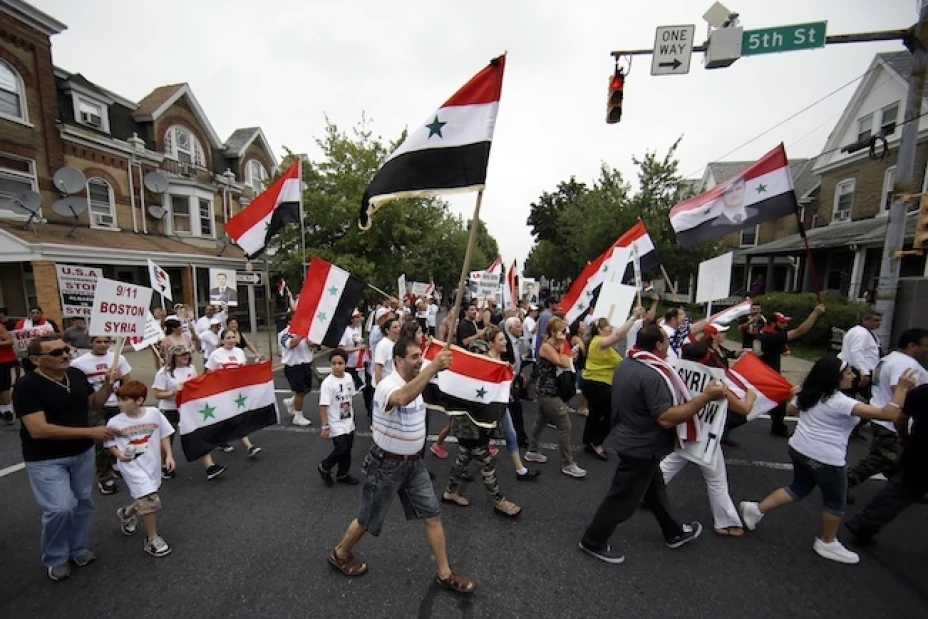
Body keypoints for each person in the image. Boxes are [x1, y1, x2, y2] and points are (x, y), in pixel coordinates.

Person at [328, 337, 476, 595]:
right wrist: (431, 369)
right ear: (398, 360)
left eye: (421, 355)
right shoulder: (387, 385)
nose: (420, 360)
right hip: (386, 464)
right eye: (415, 357)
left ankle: (444, 573)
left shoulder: (418, 381)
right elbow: (402, 399)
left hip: (414, 464)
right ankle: (340, 553)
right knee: (367, 519)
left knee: (432, 514)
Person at [739, 358, 916, 565]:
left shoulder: (810, 392)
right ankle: (826, 542)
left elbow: (790, 411)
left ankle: (755, 510)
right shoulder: (839, 401)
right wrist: (902, 389)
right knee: (835, 501)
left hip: (799, 448)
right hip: (825, 458)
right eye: (849, 373)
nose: (853, 376)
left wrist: (794, 394)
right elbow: (889, 415)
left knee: (798, 487)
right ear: (835, 377)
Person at [578, 325, 727, 564]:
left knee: (655, 490)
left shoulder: (628, 363)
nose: (670, 343)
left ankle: (674, 532)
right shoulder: (653, 375)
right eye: (667, 339)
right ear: (658, 345)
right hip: (641, 448)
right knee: (622, 498)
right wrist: (705, 397)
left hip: (633, 440)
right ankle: (592, 541)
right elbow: (666, 418)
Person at [13, 334, 121, 581]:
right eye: (56, 353)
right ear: (36, 360)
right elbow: (38, 429)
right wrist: (90, 432)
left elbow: (94, 404)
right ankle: (56, 557)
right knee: (60, 508)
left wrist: (107, 385)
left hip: (81, 454)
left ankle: (77, 548)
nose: (64, 355)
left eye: (65, 350)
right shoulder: (26, 386)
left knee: (83, 503)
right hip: (45, 459)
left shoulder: (76, 375)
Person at [661, 342, 756, 537]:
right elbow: (744, 409)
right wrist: (752, 397)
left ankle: (644, 494)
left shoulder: (676, 371)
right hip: (705, 434)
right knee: (716, 479)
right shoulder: (715, 383)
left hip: (685, 427)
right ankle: (725, 521)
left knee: (671, 463)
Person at [846, 328, 928, 498]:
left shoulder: (889, 358)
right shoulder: (905, 364)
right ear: (912, 345)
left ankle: (908, 488)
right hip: (891, 421)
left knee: (899, 459)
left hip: (881, 414)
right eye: (926, 346)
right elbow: (898, 389)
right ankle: (843, 484)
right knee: (882, 458)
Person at [845, 383, 928, 545]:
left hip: (919, 450)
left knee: (900, 490)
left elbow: (902, 418)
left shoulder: (922, 391)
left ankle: (865, 522)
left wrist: (903, 436)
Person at [104, 381, 174, 558]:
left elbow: (165, 433)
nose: (119, 403)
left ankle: (127, 513)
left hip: (152, 463)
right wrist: (119, 455)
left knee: (146, 495)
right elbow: (109, 444)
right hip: (131, 466)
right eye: (118, 399)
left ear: (139, 400)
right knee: (150, 498)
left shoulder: (154, 413)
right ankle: (152, 539)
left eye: (124, 399)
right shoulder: (114, 422)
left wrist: (169, 456)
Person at [524, 317, 587, 479]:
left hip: (551, 390)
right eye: (561, 330)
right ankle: (568, 463)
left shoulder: (557, 345)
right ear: (553, 332)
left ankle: (532, 451)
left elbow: (568, 361)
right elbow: (564, 363)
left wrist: (568, 353)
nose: (565, 333)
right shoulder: (546, 346)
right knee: (565, 425)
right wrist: (566, 352)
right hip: (548, 391)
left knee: (541, 420)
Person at [71, 336, 133, 496]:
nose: (103, 345)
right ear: (90, 343)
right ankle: (104, 476)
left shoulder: (119, 358)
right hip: (95, 407)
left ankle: (115, 463)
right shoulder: (79, 363)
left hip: (116, 404)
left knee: (119, 437)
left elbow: (128, 381)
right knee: (101, 441)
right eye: (98, 341)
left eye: (106, 341)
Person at [150, 344, 221, 480]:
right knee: (167, 439)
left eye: (187, 354)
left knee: (196, 434)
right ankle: (164, 465)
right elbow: (157, 394)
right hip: (169, 409)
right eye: (182, 355)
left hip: (187, 408)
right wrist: (172, 392)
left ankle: (209, 466)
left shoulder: (191, 368)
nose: (185, 357)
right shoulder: (163, 373)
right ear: (174, 357)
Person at [757, 304, 826, 436]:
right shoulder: (771, 337)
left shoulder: (764, 333)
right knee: (782, 395)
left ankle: (778, 425)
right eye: (782, 323)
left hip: (766, 374)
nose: (785, 326)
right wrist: (815, 313)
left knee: (780, 398)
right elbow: (800, 331)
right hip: (767, 375)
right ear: (772, 323)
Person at [581, 313, 641, 461]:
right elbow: (618, 335)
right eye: (608, 326)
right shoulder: (599, 342)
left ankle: (589, 440)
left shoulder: (599, 342)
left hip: (592, 382)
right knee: (614, 413)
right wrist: (634, 317)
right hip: (598, 383)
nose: (611, 328)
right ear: (601, 330)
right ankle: (597, 442)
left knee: (595, 412)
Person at [205, 329, 262, 458]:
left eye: (233, 337)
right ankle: (248, 446)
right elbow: (209, 374)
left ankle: (225, 440)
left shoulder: (240, 352)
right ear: (222, 340)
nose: (231, 340)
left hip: (237, 391)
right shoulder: (216, 354)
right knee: (233, 418)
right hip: (223, 392)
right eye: (228, 338)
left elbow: (243, 370)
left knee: (235, 417)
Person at [318, 349, 359, 486]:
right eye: (333, 363)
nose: (336, 366)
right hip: (335, 421)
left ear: (345, 364)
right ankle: (325, 466)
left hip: (348, 419)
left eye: (340, 363)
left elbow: (350, 397)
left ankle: (343, 474)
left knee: (348, 449)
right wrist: (325, 425)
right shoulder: (328, 383)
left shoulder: (348, 377)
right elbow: (323, 405)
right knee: (341, 448)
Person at [838, 311, 883, 402]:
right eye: (875, 320)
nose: (879, 323)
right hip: (858, 370)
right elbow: (856, 351)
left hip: (860, 369)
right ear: (864, 320)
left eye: (880, 320)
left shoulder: (867, 332)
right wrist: (864, 372)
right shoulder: (861, 333)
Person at [279, 313, 314, 427]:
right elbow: (291, 344)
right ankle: (298, 417)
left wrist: (312, 343)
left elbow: (314, 345)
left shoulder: (307, 332)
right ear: (290, 321)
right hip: (293, 366)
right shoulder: (284, 334)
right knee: (299, 391)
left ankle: (291, 401)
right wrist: (301, 334)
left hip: (306, 363)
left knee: (307, 389)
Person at [0, 320, 14, 425]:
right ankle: (2, 410)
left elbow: (10, 341)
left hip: (2, 361)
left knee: (3, 386)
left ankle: (8, 411)